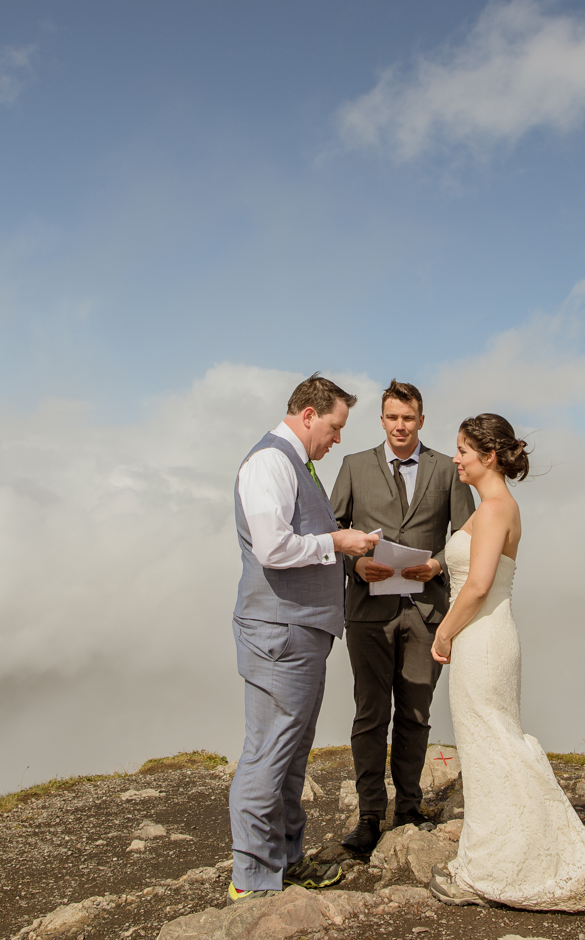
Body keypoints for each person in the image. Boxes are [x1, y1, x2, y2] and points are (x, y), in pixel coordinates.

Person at [427, 414, 585, 913]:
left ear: (488, 456)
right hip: (489, 636)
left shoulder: (493, 510)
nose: (456, 458)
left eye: (464, 450)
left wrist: (444, 630)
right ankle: (496, 857)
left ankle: (493, 869)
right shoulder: (498, 506)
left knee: (492, 745)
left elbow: (480, 584)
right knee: (490, 743)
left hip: (481, 638)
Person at [228, 375, 381, 903]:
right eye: (335, 427)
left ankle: (285, 861)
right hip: (279, 633)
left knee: (290, 754)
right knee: (268, 753)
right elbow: (272, 547)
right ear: (309, 414)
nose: (337, 438)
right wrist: (336, 541)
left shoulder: (296, 463)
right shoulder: (270, 461)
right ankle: (252, 879)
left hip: (300, 633)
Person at [329, 380, 476, 854]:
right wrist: (355, 563)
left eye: (407, 418)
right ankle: (370, 815)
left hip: (427, 610)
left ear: (421, 420)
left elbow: (467, 534)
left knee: (415, 714)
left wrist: (436, 563)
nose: (399, 425)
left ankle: (409, 809)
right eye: (392, 417)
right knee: (371, 714)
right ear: (382, 419)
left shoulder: (446, 470)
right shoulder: (353, 466)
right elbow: (331, 531)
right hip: (369, 611)